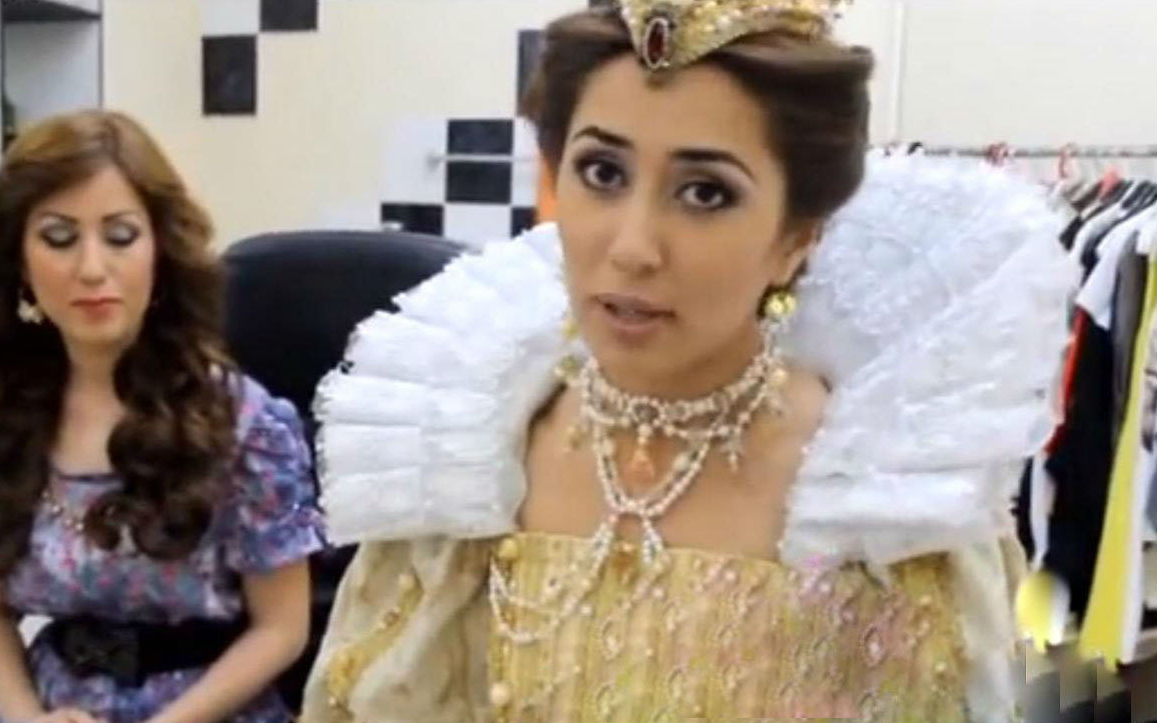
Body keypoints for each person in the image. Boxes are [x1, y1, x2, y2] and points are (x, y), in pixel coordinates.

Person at [301, 1, 1076, 721]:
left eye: (704, 193)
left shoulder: (888, 503)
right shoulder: (461, 468)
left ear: (796, 237)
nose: (632, 247)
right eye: (602, 173)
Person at [0, 110, 324, 723]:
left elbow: (282, 630)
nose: (92, 268)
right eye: (59, 238)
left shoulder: (244, 425)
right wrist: (29, 718)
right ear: (20, 263)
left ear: (160, 252)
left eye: (120, 236)